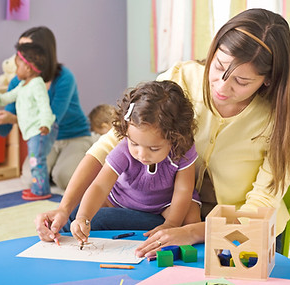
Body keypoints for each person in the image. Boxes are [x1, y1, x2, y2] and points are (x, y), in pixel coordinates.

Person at [35, 8, 290, 259]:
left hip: (241, 230)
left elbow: (259, 208)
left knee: (104, 224)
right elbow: (112, 143)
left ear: (268, 79)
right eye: (217, 67)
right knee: (75, 217)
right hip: (177, 216)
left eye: (242, 81)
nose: (221, 86)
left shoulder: (285, 121)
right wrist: (64, 206)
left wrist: (194, 232)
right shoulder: (183, 77)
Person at [70, 80, 201, 245]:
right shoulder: (123, 149)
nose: (142, 154)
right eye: (134, 144)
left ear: (175, 137)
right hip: (121, 200)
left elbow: (184, 189)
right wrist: (83, 217)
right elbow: (100, 186)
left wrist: (171, 224)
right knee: (80, 212)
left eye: (153, 148)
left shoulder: (183, 148)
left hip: (166, 204)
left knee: (191, 217)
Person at [0, 26, 94, 191]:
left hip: (73, 136)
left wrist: (13, 119)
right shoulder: (18, 82)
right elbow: (3, 129)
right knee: (31, 180)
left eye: (26, 50)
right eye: (19, 49)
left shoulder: (64, 77)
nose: (20, 55)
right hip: (45, 141)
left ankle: (85, 157)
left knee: (65, 178)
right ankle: (54, 169)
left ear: (42, 54)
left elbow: (51, 120)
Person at [0, 43, 58, 200]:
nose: (15, 71)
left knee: (37, 161)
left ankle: (41, 190)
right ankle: (38, 188)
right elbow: (6, 97)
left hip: (40, 130)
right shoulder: (23, 86)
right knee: (35, 160)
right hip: (32, 131)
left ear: (28, 68)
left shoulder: (37, 85)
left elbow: (45, 106)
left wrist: (45, 124)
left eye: (17, 67)